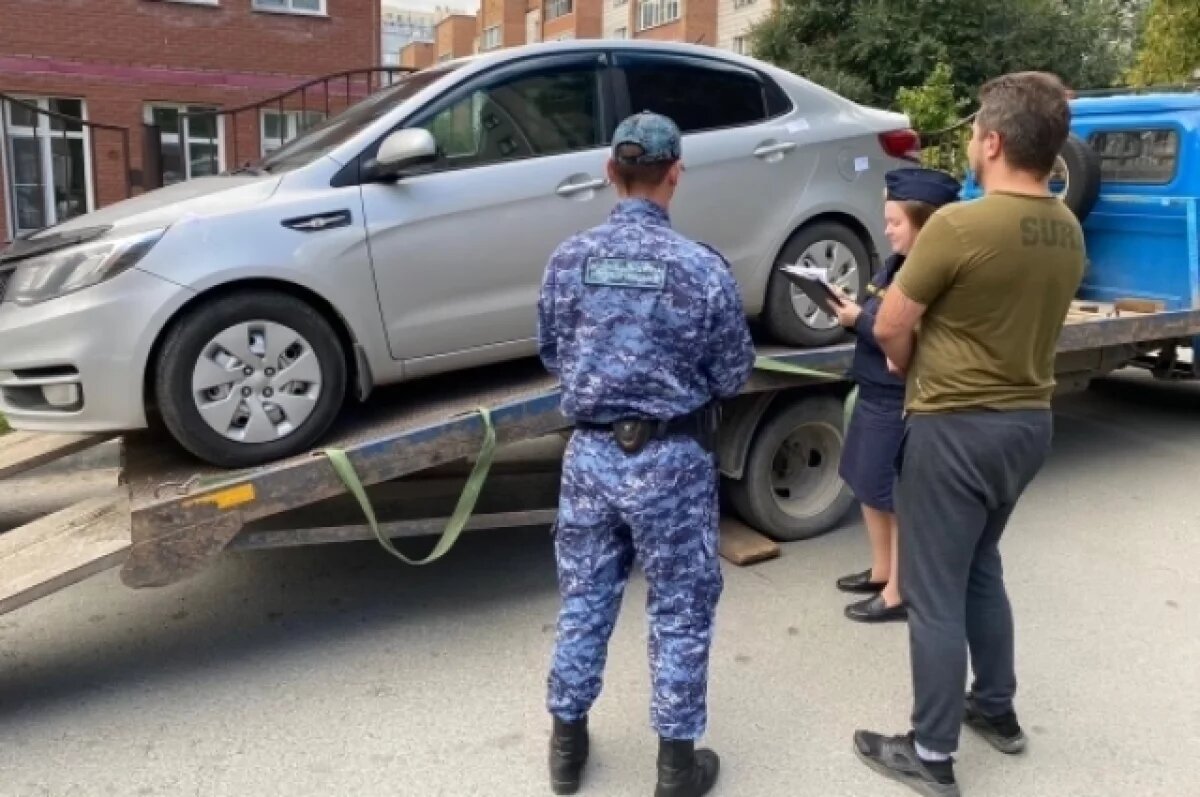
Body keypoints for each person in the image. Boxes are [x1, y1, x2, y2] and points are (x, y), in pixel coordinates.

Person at [852, 71, 1087, 797]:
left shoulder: (960, 224)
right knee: (982, 566)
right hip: (1028, 424)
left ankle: (930, 751)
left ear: (991, 140)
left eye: (975, 132)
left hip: (956, 429)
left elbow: (892, 324)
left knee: (932, 589)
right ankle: (997, 709)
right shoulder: (1067, 226)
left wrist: (903, 359)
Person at [536, 111, 756, 797]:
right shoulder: (700, 268)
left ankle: (566, 750)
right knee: (682, 610)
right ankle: (674, 769)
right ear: (675, 174)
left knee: (584, 597)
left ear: (610, 174)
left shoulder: (568, 259)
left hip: (592, 460)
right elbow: (733, 374)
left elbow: (551, 351)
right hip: (673, 461)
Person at [832, 167, 962, 624]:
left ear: (926, 223)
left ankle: (899, 590)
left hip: (898, 396)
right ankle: (882, 569)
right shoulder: (896, 264)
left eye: (895, 223)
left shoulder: (934, 272)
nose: (886, 230)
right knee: (865, 482)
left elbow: (906, 335)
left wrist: (858, 321)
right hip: (873, 389)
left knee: (892, 493)